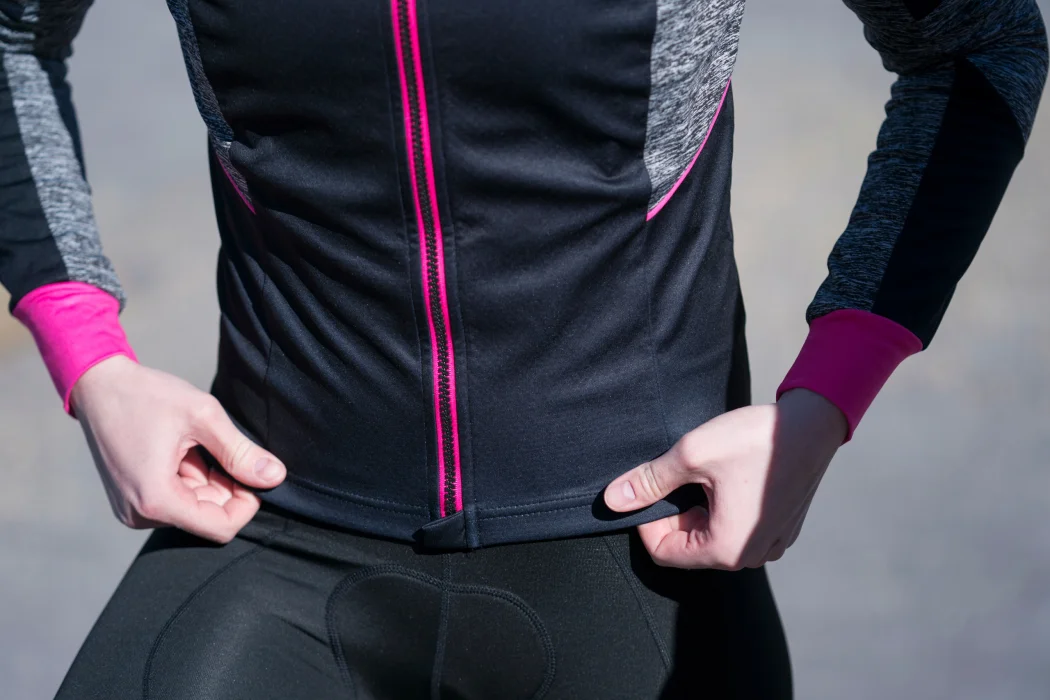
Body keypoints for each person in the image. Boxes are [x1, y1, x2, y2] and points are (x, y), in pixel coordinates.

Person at [1, 0, 1046, 697]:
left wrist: (825, 399)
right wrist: (90, 355)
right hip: (273, 536)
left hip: (637, 561)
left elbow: (973, 41)